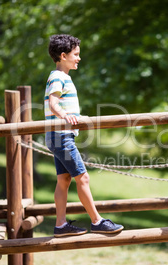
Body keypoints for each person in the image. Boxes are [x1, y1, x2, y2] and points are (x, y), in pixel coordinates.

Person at [44, 34, 123, 237]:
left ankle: (60, 225)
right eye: (76, 54)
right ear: (63, 55)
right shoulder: (58, 77)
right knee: (83, 177)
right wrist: (64, 116)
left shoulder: (62, 77)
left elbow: (64, 107)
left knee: (64, 180)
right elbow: (53, 103)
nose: (79, 58)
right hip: (61, 137)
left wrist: (76, 117)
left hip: (57, 137)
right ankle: (97, 221)